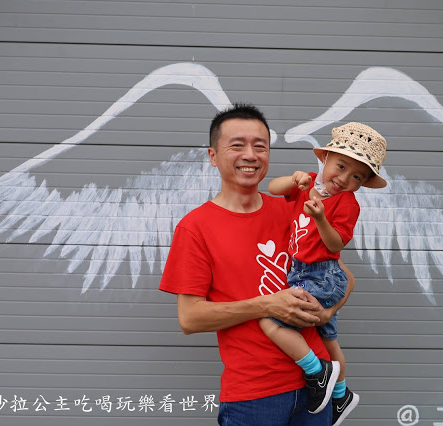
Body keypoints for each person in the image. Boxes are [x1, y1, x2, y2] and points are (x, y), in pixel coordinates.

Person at [159, 103, 355, 426]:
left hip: (315, 392)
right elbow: (189, 318)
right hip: (252, 397)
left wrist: (326, 312)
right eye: (237, 145)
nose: (250, 155)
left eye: (260, 146)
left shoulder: (295, 209)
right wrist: (266, 305)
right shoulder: (195, 228)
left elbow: (344, 277)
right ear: (213, 156)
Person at [258, 122, 387, 425]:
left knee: (270, 320)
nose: (344, 179)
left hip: (320, 276)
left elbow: (335, 244)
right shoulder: (307, 184)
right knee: (329, 339)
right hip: (302, 272)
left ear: (363, 183)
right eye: (341, 167)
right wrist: (294, 179)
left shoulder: (347, 203)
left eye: (357, 177)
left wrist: (320, 218)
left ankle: (318, 372)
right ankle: (341, 395)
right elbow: (273, 188)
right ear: (325, 158)